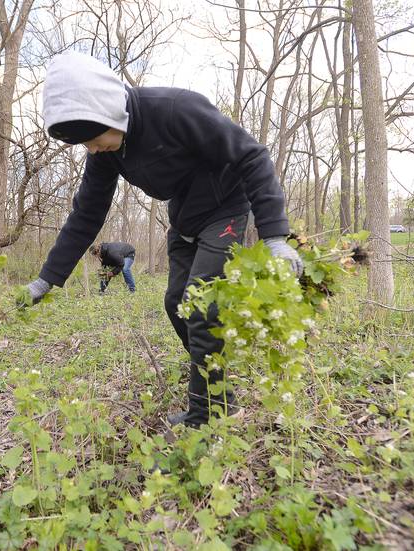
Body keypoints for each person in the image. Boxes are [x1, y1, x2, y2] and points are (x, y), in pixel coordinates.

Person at [24, 51, 303, 429]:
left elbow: (252, 155)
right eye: (84, 144)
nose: (92, 149)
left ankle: (209, 415)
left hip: (225, 208)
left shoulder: (174, 110)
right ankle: (220, 394)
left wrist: (274, 237)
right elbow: (86, 214)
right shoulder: (106, 153)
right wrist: (48, 278)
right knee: (177, 303)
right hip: (185, 219)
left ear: (110, 111)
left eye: (93, 138)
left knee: (200, 302)